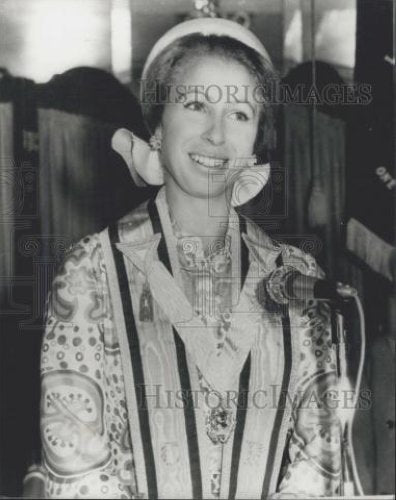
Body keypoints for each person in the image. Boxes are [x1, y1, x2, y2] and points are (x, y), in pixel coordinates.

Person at [40, 18, 342, 499]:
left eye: (240, 114)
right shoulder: (91, 272)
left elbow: (320, 458)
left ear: (257, 138)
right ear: (158, 123)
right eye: (197, 104)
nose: (217, 135)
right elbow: (79, 468)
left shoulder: (298, 277)